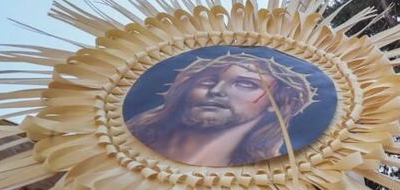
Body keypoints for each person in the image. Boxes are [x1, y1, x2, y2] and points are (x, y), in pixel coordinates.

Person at [127, 51, 317, 167]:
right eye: (207, 81)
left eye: (245, 84)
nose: (216, 91)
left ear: (281, 102)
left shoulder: (269, 183)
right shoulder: (125, 145)